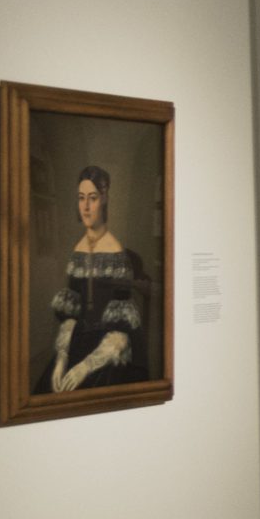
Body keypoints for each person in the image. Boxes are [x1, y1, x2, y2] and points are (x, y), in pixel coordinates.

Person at [41, 164, 148, 393]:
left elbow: (122, 334)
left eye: (93, 198)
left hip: (107, 351)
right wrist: (62, 356)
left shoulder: (117, 254)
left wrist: (85, 367)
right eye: (81, 198)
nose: (86, 207)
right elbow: (70, 315)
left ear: (104, 198)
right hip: (77, 342)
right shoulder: (77, 251)